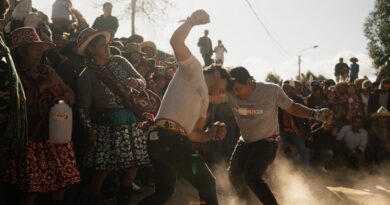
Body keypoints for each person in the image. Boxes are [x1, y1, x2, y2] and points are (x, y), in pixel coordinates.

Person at [139, 10, 228, 205]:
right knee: (206, 182)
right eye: (225, 88)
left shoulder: (205, 102)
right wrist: (191, 22)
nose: (224, 94)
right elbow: (176, 42)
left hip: (162, 140)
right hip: (167, 138)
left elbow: (194, 134)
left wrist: (211, 134)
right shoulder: (194, 69)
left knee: (164, 192)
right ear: (218, 76)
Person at [210, 66, 332, 205]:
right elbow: (210, 97)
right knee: (233, 175)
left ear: (249, 82)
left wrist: (315, 114)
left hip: (267, 142)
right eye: (233, 90)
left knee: (252, 177)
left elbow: (292, 107)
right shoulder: (230, 93)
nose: (236, 94)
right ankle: (247, 203)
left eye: (238, 89)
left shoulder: (270, 91)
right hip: (245, 141)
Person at [5, 26, 80, 205]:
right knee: (33, 187)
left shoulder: (48, 70)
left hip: (56, 133)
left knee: (62, 182)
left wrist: (63, 99)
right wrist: (42, 87)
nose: (39, 53)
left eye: (40, 49)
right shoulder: (13, 76)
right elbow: (19, 105)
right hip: (31, 138)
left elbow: (69, 91)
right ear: (21, 52)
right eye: (34, 49)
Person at [76, 28, 149, 204]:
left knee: (135, 163)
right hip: (105, 124)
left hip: (130, 118)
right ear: (92, 49)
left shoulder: (120, 61)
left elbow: (142, 81)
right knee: (104, 167)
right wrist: (89, 129)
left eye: (107, 44)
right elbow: (83, 107)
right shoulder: (86, 76)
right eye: (102, 45)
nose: (107, 47)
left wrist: (136, 83)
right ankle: (94, 197)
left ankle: (125, 194)